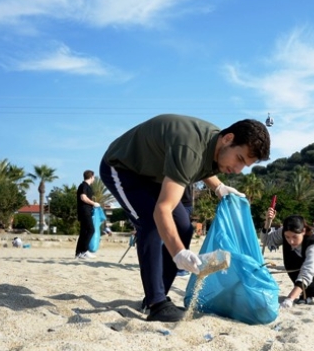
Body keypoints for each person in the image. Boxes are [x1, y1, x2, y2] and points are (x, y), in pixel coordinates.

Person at [99, 114, 270, 322]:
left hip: (155, 174)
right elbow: (162, 209)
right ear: (228, 138)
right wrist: (179, 252)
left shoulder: (217, 146)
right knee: (151, 223)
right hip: (123, 168)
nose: (237, 169)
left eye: (245, 165)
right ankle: (157, 303)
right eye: (240, 159)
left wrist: (219, 187)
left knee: (184, 228)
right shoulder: (190, 147)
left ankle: (155, 295)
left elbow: (199, 164)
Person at [263, 211, 314, 308]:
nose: (291, 241)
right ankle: (305, 294)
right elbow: (267, 240)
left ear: (303, 231)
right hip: (302, 269)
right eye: (287, 237)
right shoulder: (285, 231)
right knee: (292, 260)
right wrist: (268, 222)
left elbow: (307, 272)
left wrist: (289, 299)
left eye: (295, 237)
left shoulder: (313, 245)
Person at [75, 170, 100, 259]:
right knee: (91, 230)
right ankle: (84, 251)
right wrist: (93, 203)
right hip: (85, 211)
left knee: (83, 232)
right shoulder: (84, 186)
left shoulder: (86, 186)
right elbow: (83, 197)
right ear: (91, 177)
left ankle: (78, 253)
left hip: (85, 211)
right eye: (94, 177)